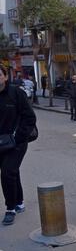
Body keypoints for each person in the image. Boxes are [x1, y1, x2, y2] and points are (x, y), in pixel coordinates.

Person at [0, 65, 36, 225]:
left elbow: (29, 118)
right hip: (0, 143)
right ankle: (19, 200)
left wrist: (19, 137)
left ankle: (10, 208)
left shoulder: (16, 94)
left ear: (5, 77)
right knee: (12, 172)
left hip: (16, 143)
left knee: (7, 172)